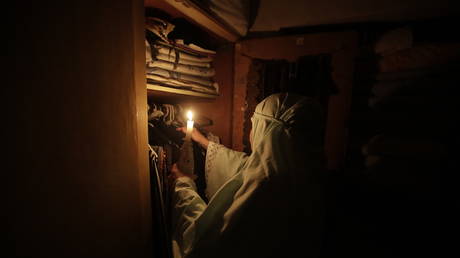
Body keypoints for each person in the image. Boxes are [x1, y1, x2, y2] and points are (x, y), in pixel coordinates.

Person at [169, 92, 325, 258]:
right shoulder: (308, 180)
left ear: (267, 132)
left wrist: (183, 185)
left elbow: (202, 242)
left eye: (255, 124)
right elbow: (246, 164)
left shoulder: (262, 191)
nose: (251, 132)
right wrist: (205, 142)